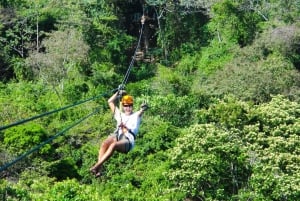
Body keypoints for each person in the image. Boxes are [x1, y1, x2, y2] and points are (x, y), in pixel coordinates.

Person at [90, 90, 148, 177]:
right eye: (125, 106)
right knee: (104, 144)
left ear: (132, 106)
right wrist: (118, 93)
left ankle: (97, 166)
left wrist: (143, 108)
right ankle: (99, 169)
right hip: (118, 136)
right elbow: (110, 101)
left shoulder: (136, 116)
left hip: (128, 141)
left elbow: (141, 111)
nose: (128, 108)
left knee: (114, 145)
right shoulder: (119, 114)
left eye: (130, 106)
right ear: (123, 106)